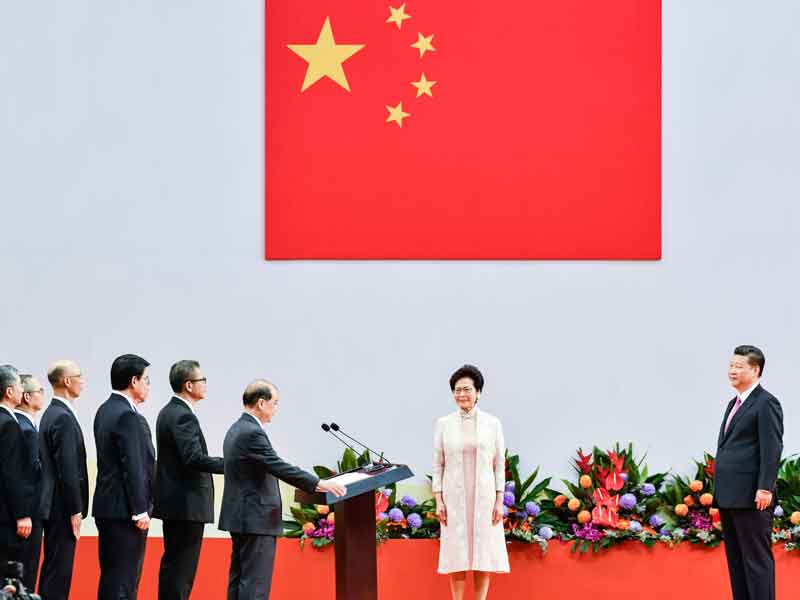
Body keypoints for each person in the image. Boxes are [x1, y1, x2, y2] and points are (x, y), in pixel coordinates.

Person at [219, 379, 347, 600]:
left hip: (242, 518)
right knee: (254, 585)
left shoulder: (236, 428)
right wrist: (319, 483)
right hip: (255, 519)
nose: (276, 409)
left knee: (240, 580)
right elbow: (279, 466)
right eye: (275, 403)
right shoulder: (252, 432)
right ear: (261, 403)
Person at [432, 364, 509, 600]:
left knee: (482, 552)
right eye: (457, 390)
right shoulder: (443, 424)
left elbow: (498, 465)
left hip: (484, 497)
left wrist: (498, 500)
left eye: (466, 389)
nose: (461, 395)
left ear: (478, 392)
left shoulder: (492, 424)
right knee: (457, 552)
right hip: (454, 499)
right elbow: (438, 464)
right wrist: (439, 500)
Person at [715, 345, 783, 600]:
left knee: (756, 562)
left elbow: (772, 447)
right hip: (730, 496)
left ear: (755, 370)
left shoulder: (766, 403)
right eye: (731, 365)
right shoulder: (735, 403)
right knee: (737, 562)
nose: (732, 370)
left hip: (752, 497)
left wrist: (765, 487)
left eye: (739, 366)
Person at [153, 360, 224, 600]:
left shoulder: (168, 411)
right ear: (188, 385)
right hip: (186, 505)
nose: (205, 385)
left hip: (177, 505)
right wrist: (232, 464)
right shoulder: (183, 416)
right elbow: (193, 458)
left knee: (174, 567)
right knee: (181, 572)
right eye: (202, 380)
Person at [92, 354, 155, 600]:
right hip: (125, 511)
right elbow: (133, 465)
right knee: (124, 583)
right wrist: (140, 509)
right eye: (146, 380)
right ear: (133, 381)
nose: (148, 386)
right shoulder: (127, 415)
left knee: (112, 577)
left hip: (108, 508)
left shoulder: (104, 410)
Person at [38, 360, 89, 600]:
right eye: (79, 376)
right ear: (67, 381)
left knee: (53, 568)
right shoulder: (62, 417)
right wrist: (75, 510)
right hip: (62, 508)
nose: (83, 381)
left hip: (55, 507)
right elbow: (68, 469)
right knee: (60, 572)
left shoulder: (51, 413)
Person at [0, 365, 34, 567]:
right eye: (20, 385)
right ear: (9, 391)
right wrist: (21, 514)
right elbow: (12, 472)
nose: (23, 390)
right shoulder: (9, 424)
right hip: (7, 517)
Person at [15, 374, 45, 591]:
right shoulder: (25, 429)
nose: (43, 395)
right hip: (27, 514)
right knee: (27, 571)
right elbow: (27, 475)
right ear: (26, 396)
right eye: (40, 391)